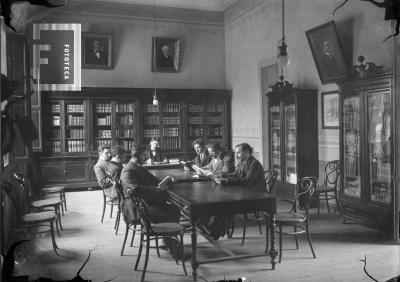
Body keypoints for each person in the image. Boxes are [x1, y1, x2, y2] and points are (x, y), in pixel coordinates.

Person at [120, 144, 180, 224]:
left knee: (174, 208)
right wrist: (157, 189)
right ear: (136, 155)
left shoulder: (139, 167)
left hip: (145, 201)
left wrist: (167, 181)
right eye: (144, 155)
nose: (147, 157)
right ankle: (165, 233)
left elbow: (154, 180)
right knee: (170, 211)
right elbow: (135, 188)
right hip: (137, 207)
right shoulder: (127, 170)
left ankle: (169, 233)